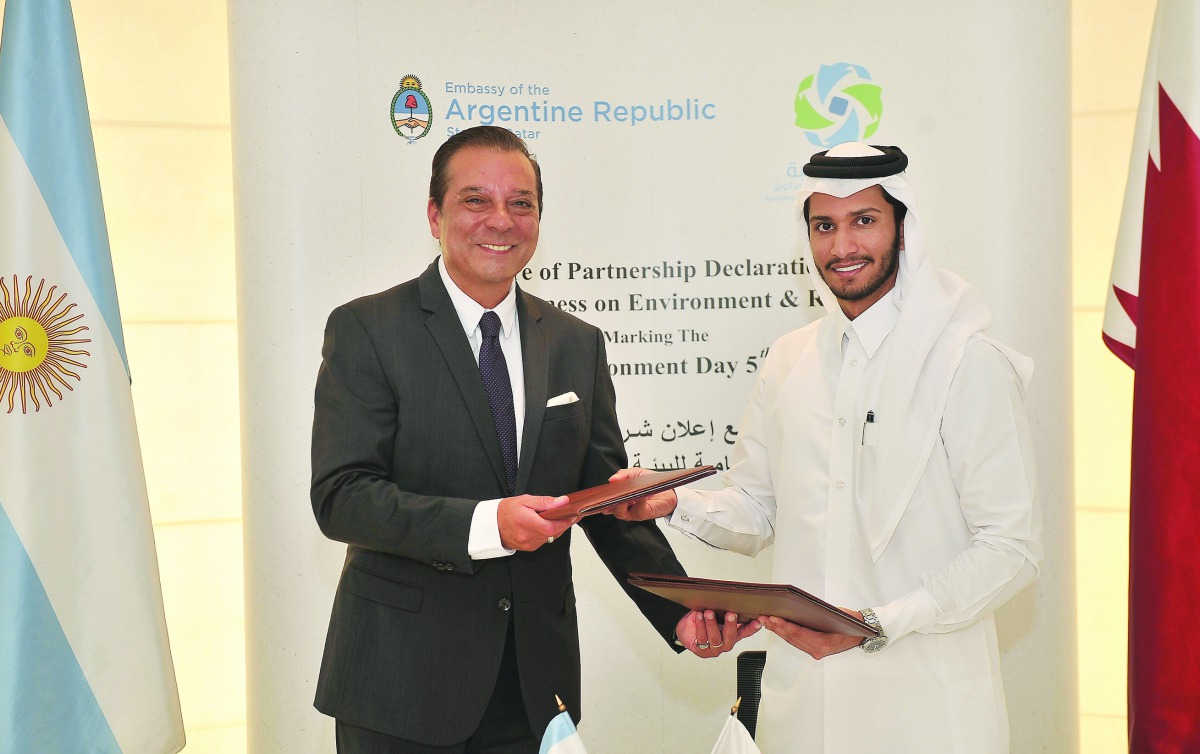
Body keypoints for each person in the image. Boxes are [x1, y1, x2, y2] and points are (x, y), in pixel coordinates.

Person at [310, 125, 756, 753]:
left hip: (533, 689)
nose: (501, 220)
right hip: (399, 686)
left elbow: (606, 506)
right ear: (435, 214)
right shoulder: (368, 329)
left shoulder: (577, 344)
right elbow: (343, 497)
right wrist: (490, 525)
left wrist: (679, 612)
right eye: (475, 200)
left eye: (521, 203)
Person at [610, 142, 1042, 752]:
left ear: (902, 226)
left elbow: (1011, 549)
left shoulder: (966, 363)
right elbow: (759, 511)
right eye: (824, 226)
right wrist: (672, 504)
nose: (842, 247)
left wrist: (878, 626)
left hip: (929, 714)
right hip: (805, 712)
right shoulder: (790, 360)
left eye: (864, 221)